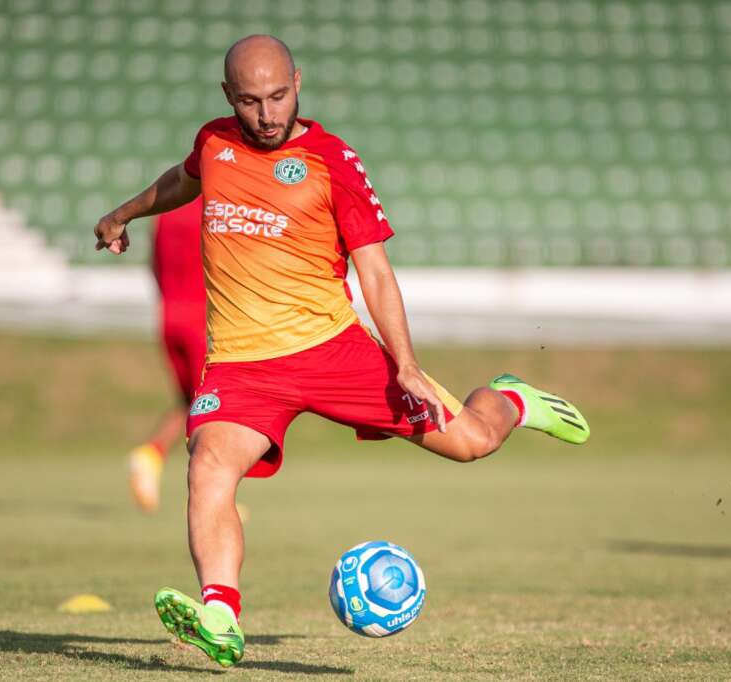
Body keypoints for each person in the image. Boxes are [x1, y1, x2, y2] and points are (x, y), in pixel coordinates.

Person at [93, 35, 590, 668]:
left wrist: (405, 363)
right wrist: (124, 213)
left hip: (335, 350)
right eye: (250, 101)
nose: (267, 114)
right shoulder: (215, 142)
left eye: (278, 96)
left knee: (471, 442)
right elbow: (183, 180)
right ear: (228, 98)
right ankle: (219, 612)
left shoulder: (334, 161)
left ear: (298, 82)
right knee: (209, 463)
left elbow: (375, 273)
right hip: (244, 365)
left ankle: (511, 398)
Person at [127, 197, 207, 513]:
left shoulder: (165, 213)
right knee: (212, 408)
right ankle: (213, 497)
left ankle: (151, 454)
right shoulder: (215, 204)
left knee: (190, 401)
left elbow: (154, 265)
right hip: (202, 318)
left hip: (168, 315)